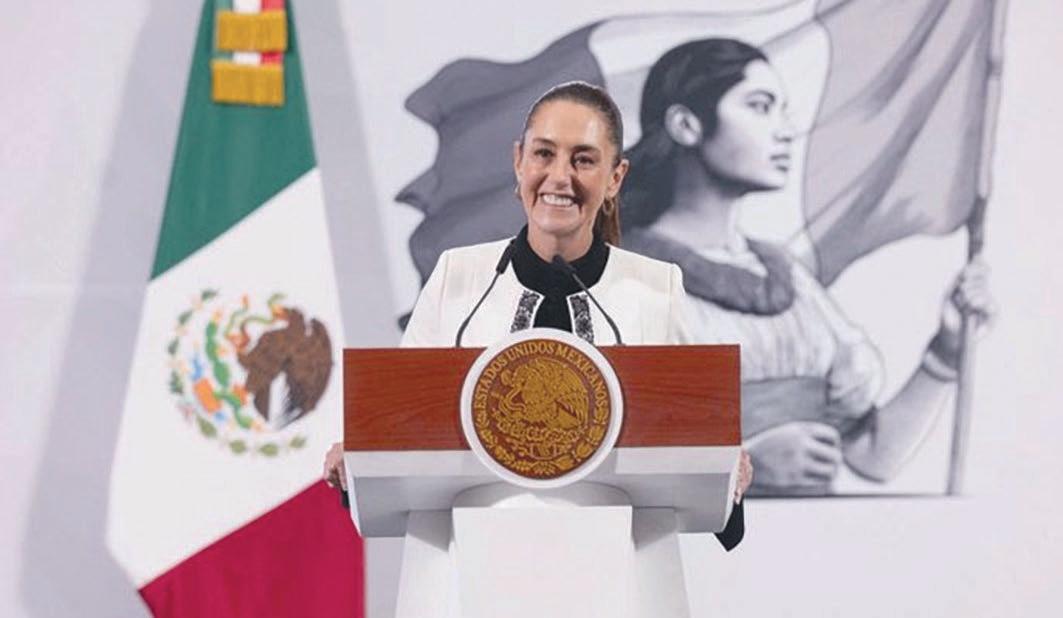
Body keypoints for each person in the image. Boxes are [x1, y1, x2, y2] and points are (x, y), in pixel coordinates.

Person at [325, 81, 752, 548]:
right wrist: (361, 459)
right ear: (519, 162)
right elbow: (402, 430)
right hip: (477, 559)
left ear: (615, 178)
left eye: (583, 160)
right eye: (543, 154)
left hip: (616, 560)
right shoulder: (457, 278)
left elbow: (696, 439)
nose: (559, 176)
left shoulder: (656, 289)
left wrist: (728, 468)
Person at [619, 38, 995, 495]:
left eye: (783, 111)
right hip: (707, 541)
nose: (785, 131)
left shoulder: (788, 277)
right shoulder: (625, 280)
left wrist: (947, 350)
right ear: (686, 124)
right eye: (760, 107)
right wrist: (744, 466)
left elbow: (873, 456)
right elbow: (602, 474)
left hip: (815, 535)